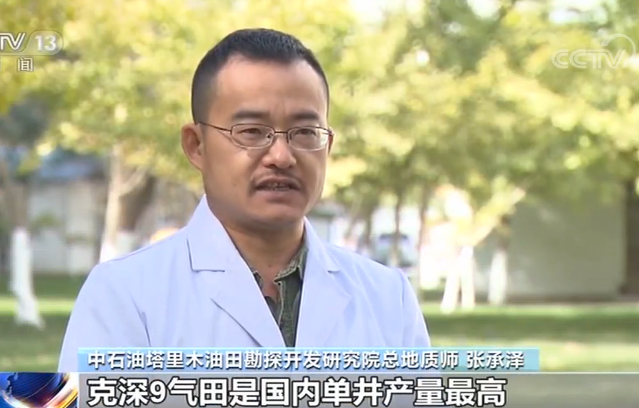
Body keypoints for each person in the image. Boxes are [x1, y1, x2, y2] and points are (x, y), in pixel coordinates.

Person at [57, 28, 430, 372]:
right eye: (252, 131)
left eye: (305, 131)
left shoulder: (387, 298)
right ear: (196, 145)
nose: (281, 156)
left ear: (327, 145)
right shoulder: (124, 293)